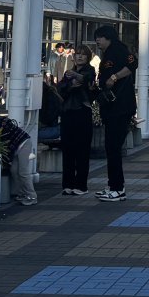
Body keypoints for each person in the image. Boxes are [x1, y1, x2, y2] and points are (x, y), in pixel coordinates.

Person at [92, 24, 136, 201]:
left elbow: (133, 63)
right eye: (96, 38)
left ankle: (118, 188)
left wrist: (114, 77)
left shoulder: (118, 49)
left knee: (113, 148)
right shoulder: (107, 53)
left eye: (100, 37)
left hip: (120, 107)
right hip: (111, 108)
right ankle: (112, 185)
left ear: (109, 37)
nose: (97, 41)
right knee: (111, 148)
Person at [0, 100, 36, 206]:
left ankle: (31, 196)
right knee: (14, 170)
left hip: (23, 143)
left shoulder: (0, 124)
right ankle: (22, 194)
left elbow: (2, 142)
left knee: (23, 172)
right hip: (18, 145)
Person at [57, 46, 96, 195]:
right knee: (67, 149)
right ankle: (67, 184)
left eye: (83, 55)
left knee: (82, 150)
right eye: (77, 54)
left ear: (88, 57)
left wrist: (74, 78)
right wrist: (71, 85)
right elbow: (61, 89)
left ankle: (81, 185)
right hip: (68, 112)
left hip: (82, 112)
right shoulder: (69, 72)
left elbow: (86, 81)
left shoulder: (90, 70)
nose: (79, 57)